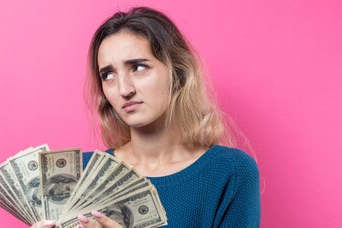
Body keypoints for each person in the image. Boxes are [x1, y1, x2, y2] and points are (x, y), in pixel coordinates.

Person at [31, 6, 260, 228]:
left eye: (138, 67)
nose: (124, 89)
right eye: (108, 75)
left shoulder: (230, 171)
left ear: (177, 73)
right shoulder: (78, 174)